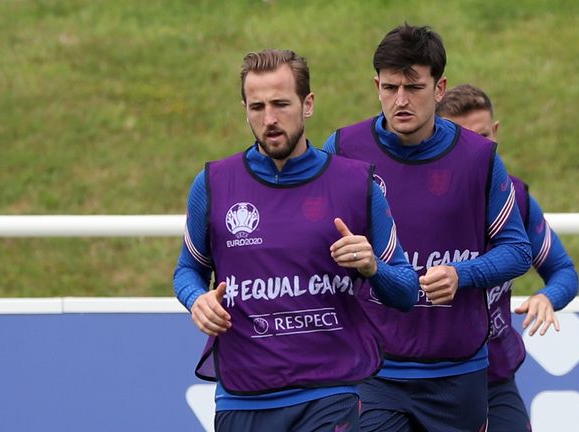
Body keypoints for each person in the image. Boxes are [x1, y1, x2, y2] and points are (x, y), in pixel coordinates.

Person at [173, 48, 419, 432]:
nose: (269, 119)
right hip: (242, 397)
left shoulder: (356, 184)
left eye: (281, 104)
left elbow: (406, 291)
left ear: (308, 104)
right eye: (257, 107)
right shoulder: (214, 184)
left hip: (329, 394)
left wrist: (373, 268)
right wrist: (197, 300)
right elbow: (188, 270)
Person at [324, 24, 532, 431]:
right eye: (390, 87)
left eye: (414, 87)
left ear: (440, 89)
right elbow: (307, 227)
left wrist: (461, 274)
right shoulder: (345, 150)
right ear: (376, 85)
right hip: (374, 371)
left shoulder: (479, 158)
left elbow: (517, 250)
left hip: (459, 373)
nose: (400, 100)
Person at [437, 83, 579, 432]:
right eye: (466, 140)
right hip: (428, 380)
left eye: (485, 137)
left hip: (494, 378)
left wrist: (548, 296)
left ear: (496, 132)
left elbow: (563, 271)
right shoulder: (414, 200)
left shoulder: (514, 196)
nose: (479, 150)